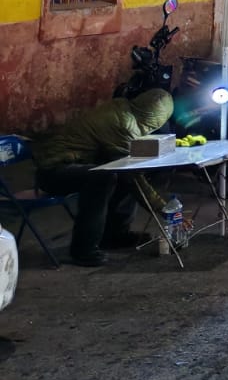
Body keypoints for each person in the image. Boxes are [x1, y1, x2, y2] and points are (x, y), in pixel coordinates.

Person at [32, 90, 174, 267]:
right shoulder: (123, 124)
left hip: (75, 162)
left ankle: (115, 235)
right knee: (103, 179)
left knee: (119, 173)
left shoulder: (122, 108)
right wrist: (162, 208)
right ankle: (83, 250)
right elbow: (133, 175)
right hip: (53, 171)